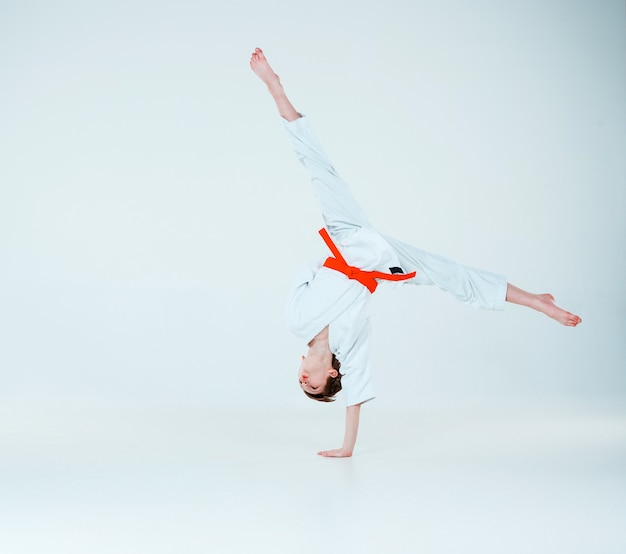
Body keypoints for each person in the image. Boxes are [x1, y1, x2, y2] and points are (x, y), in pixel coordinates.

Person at [249, 47, 582, 458]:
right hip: (381, 264)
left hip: (347, 237)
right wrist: (346, 448)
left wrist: (337, 256)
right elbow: (356, 391)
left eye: (302, 383)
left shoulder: (295, 320)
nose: (304, 379)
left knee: (319, 168)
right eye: (313, 384)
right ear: (331, 372)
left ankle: (275, 88)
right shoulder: (349, 346)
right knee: (451, 275)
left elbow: (307, 269)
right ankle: (536, 301)